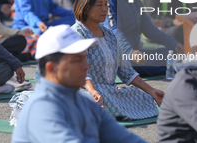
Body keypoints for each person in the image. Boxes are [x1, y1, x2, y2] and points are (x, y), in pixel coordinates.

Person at [11, 25, 146, 143]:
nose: (86, 66)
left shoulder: (84, 102)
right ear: (52, 69)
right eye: (77, 60)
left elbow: (124, 138)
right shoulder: (42, 108)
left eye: (84, 59)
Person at [71, 0, 165, 120]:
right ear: (85, 7)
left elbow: (126, 71)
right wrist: (93, 92)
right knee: (101, 97)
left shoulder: (108, 34)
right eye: (99, 5)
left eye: (106, 5)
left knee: (141, 96)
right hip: (86, 91)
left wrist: (152, 91)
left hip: (110, 92)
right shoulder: (77, 33)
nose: (105, 9)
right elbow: (80, 71)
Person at [103, 0, 184, 76]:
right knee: (163, 66)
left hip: (136, 54)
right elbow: (114, 30)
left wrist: (174, 44)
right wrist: (130, 53)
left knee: (173, 54)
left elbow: (149, 29)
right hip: (118, 57)